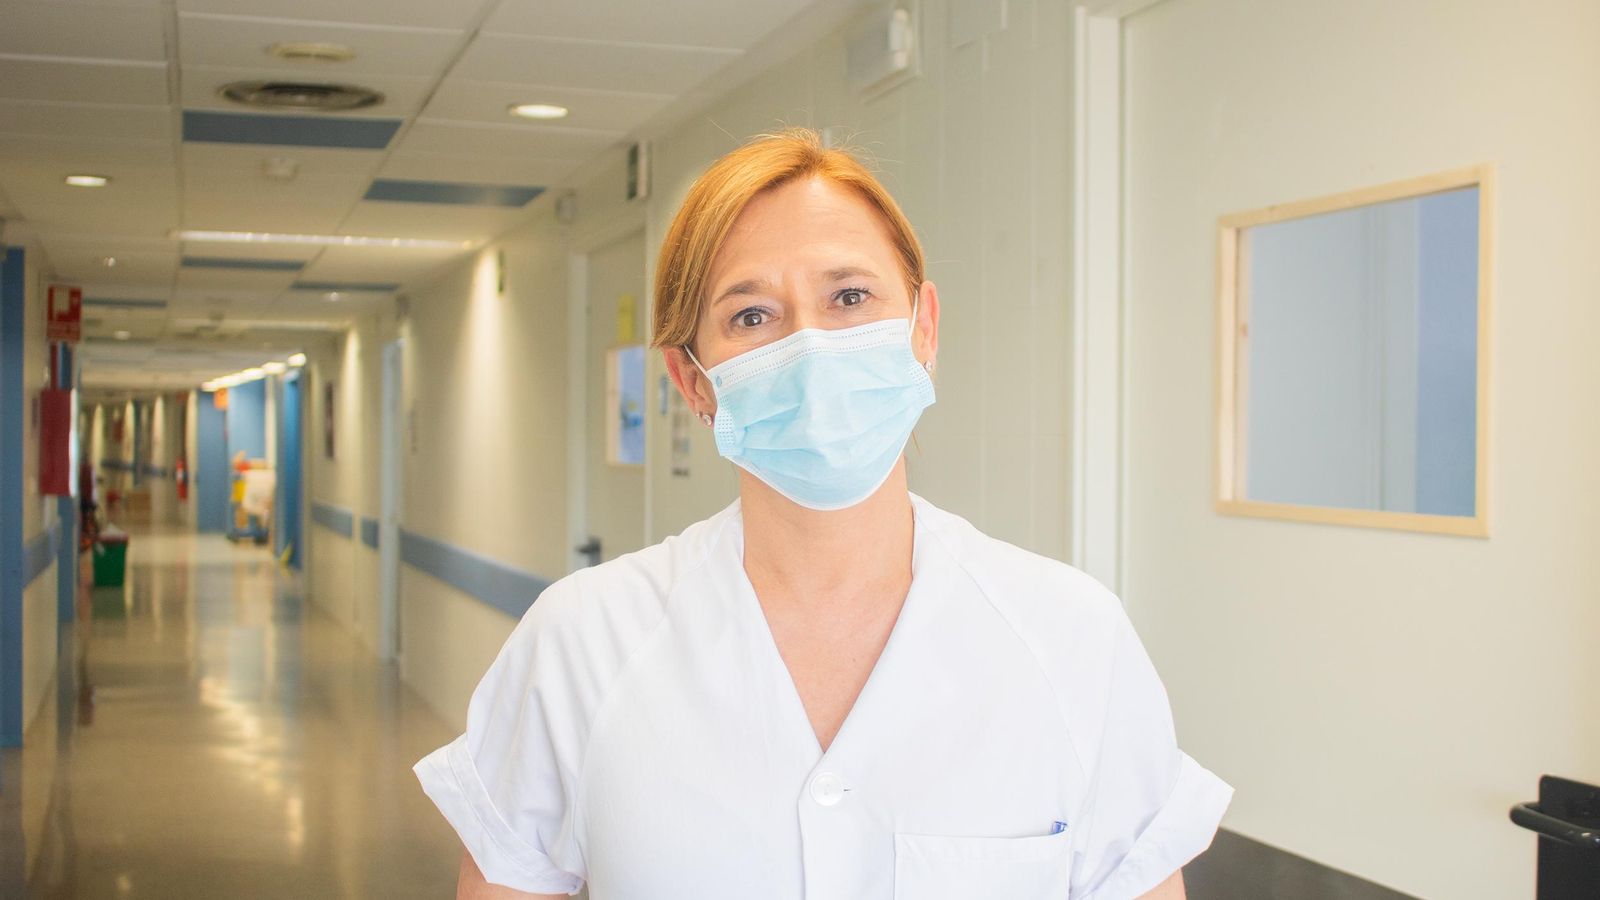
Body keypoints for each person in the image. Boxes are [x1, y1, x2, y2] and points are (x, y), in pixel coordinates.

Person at [415, 128, 1232, 900]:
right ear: (693, 381)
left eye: (849, 296)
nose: (809, 348)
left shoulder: (1072, 638)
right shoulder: (581, 643)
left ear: (924, 329)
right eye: (751, 315)